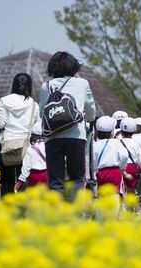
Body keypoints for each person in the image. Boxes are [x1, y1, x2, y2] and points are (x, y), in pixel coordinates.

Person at [39, 51, 96, 198]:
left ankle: (56, 215)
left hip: (52, 137)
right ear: (74, 67)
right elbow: (91, 112)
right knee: (77, 178)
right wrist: (87, 118)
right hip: (76, 135)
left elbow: (42, 113)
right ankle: (77, 212)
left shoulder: (46, 86)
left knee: (55, 181)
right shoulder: (83, 83)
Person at [0, 73, 39, 197]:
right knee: (23, 180)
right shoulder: (34, 105)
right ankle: (22, 211)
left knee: (6, 181)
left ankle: (7, 210)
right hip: (25, 146)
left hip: (6, 144)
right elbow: (37, 126)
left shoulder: (4, 100)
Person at [93, 116, 128, 196]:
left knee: (102, 194)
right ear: (112, 132)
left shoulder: (95, 145)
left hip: (100, 172)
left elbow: (93, 160)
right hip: (115, 171)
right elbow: (124, 156)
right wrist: (122, 167)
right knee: (115, 194)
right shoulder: (116, 143)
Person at [15, 121, 47, 191]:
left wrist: (21, 181)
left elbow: (26, 166)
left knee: (33, 197)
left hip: (33, 175)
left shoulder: (30, 148)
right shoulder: (49, 147)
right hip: (46, 174)